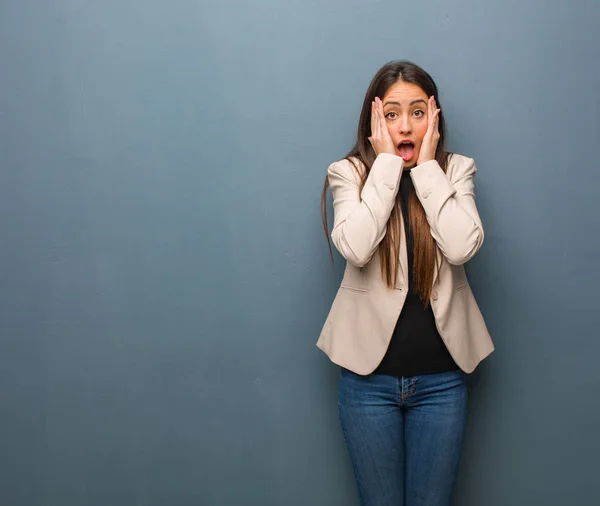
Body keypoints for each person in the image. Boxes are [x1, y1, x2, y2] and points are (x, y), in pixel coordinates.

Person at [317, 60, 494, 506]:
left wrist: (427, 169)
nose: (405, 125)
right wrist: (387, 167)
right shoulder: (349, 174)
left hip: (442, 385)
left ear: (434, 118)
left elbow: (461, 246)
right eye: (391, 113)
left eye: (418, 111)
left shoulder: (456, 171)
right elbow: (355, 248)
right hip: (366, 384)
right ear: (374, 121)